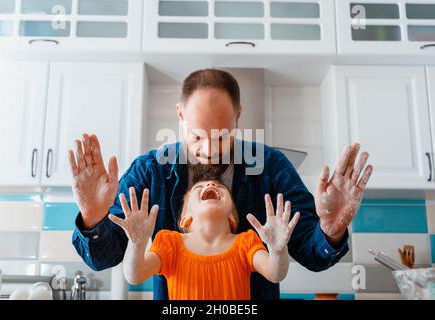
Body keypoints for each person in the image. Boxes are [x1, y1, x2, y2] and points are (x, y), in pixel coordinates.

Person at [70, 68, 373, 299]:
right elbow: (105, 257)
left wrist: (330, 231)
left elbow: (310, 252)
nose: (210, 149)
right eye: (197, 137)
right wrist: (93, 217)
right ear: (180, 115)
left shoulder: (271, 168)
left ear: (238, 116)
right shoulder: (150, 172)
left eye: (222, 135)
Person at [108, 176, 300, 300]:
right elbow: (135, 275)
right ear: (185, 218)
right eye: (198, 187)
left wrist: (277, 249)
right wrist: (137, 245)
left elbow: (276, 274)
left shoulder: (246, 242)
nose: (210, 184)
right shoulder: (170, 243)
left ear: (232, 218)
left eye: (219, 186)